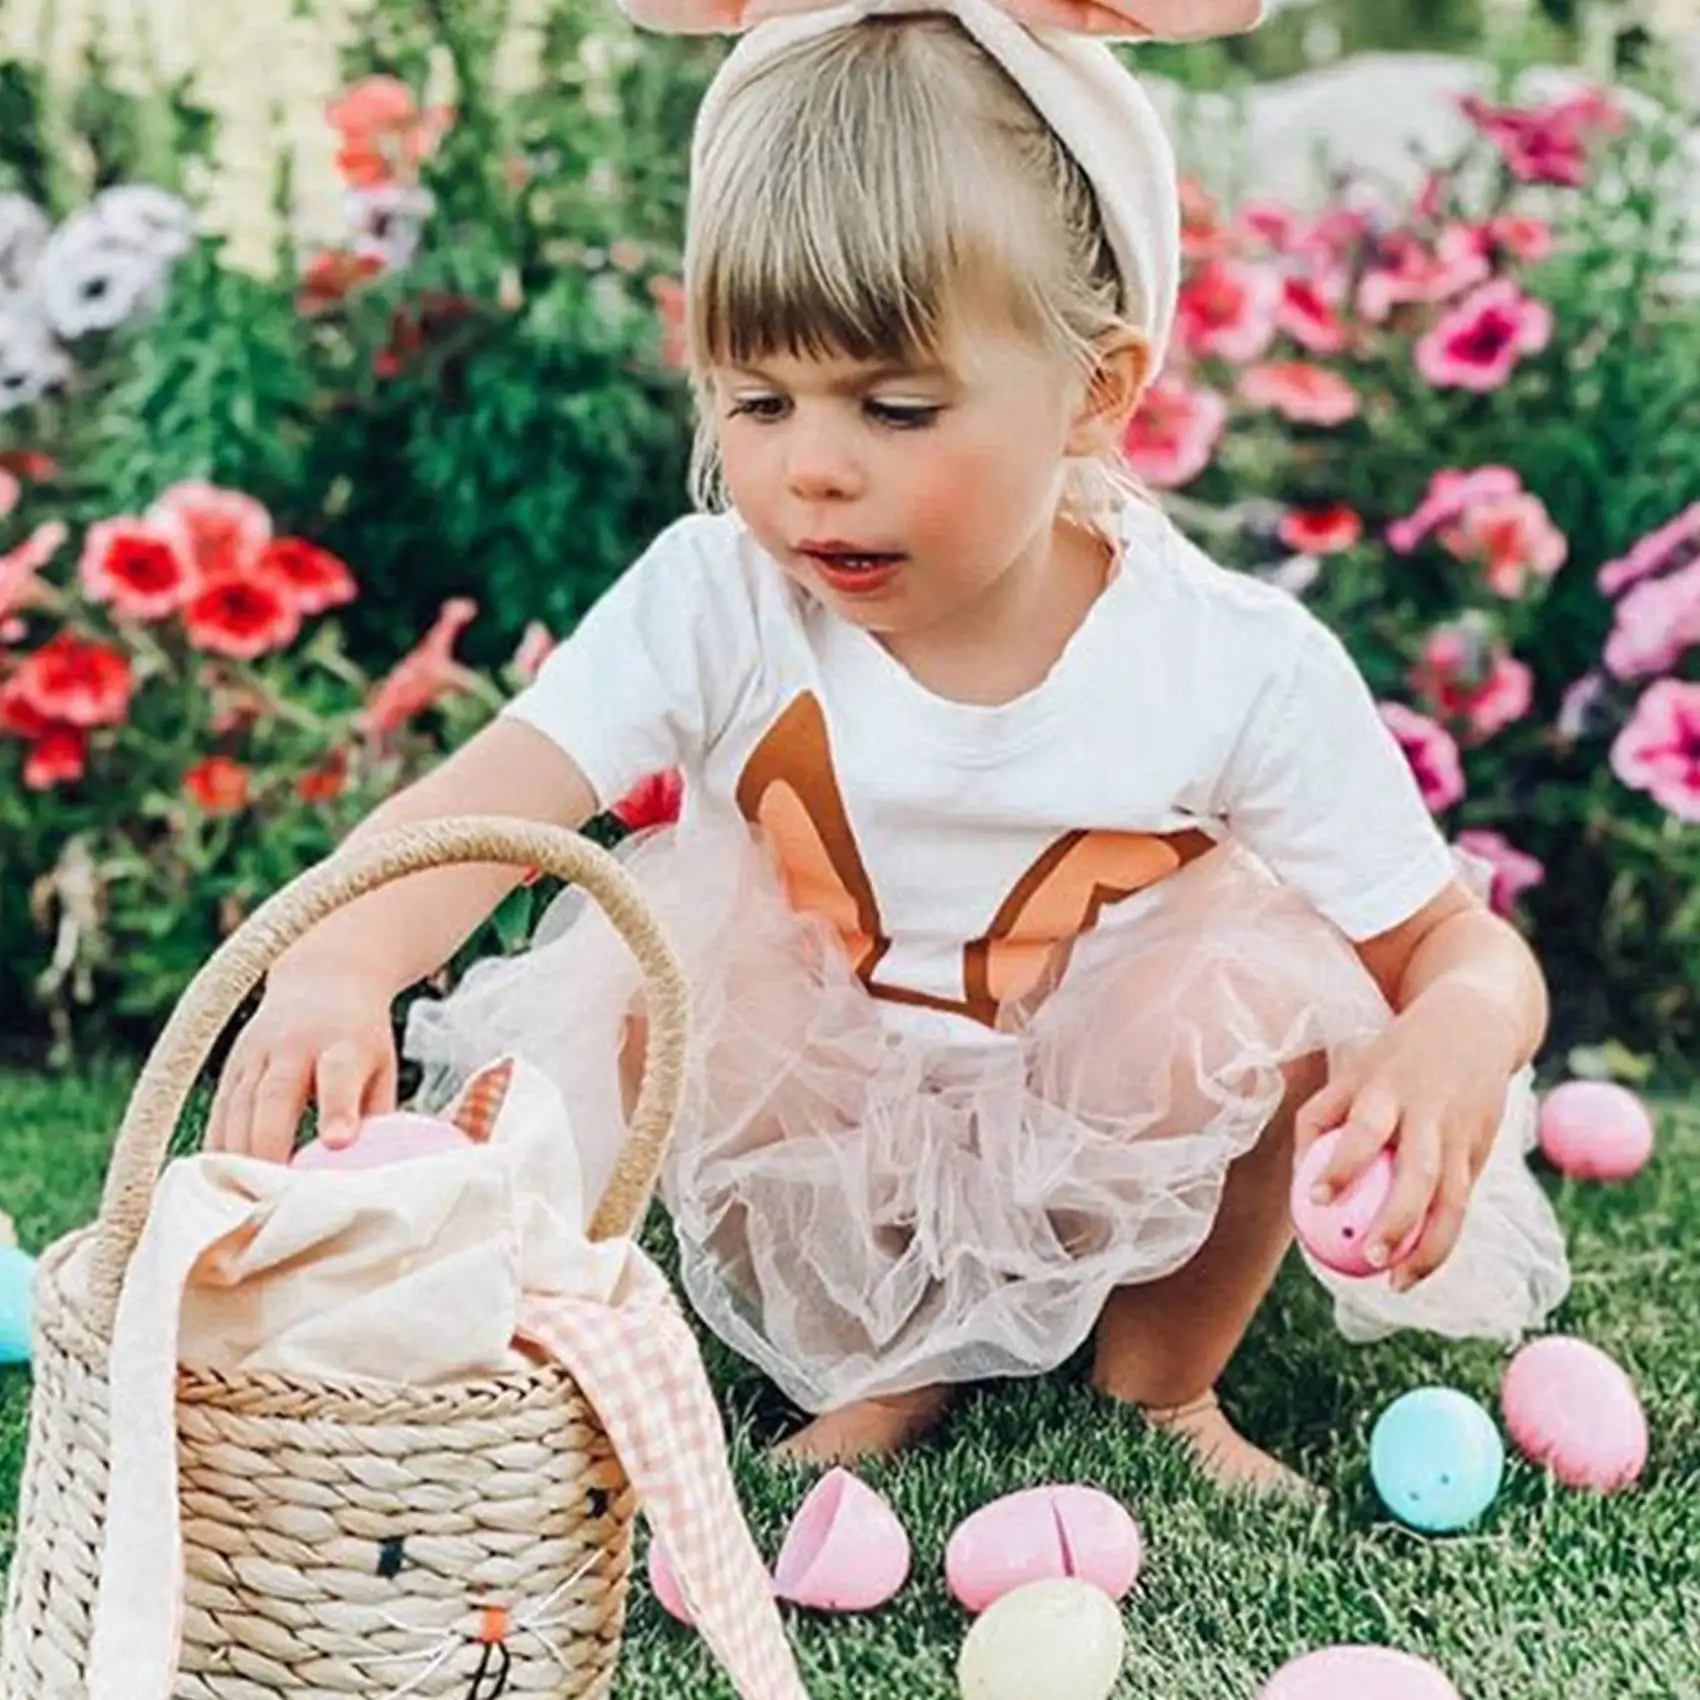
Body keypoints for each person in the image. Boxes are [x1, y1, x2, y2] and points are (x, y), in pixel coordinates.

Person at [206, 0, 1569, 1497]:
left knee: (1276, 999)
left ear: (1095, 393)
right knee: (677, 979)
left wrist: (1452, 1032)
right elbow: (490, 803)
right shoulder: (717, 595)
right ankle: (878, 1362)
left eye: (897, 406)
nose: (811, 468)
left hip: (1099, 1105)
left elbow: (1457, 944)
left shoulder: (1223, 663)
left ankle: (1157, 1381)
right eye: (756, 400)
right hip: (842, 1091)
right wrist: (340, 961)